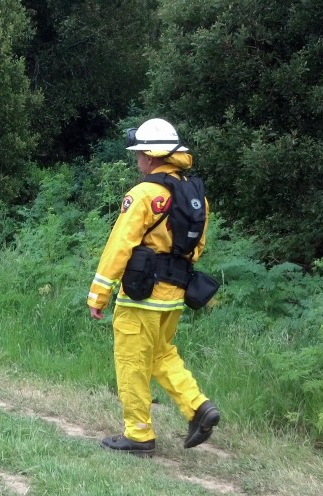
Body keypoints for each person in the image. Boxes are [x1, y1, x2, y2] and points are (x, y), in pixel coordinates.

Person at [87, 118, 220, 455]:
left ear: (150, 156)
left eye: (139, 155)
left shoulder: (144, 194)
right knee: (161, 353)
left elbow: (120, 245)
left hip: (140, 296)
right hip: (174, 295)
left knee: (132, 362)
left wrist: (99, 293)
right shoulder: (195, 196)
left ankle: (139, 434)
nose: (137, 161)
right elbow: (196, 247)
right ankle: (198, 407)